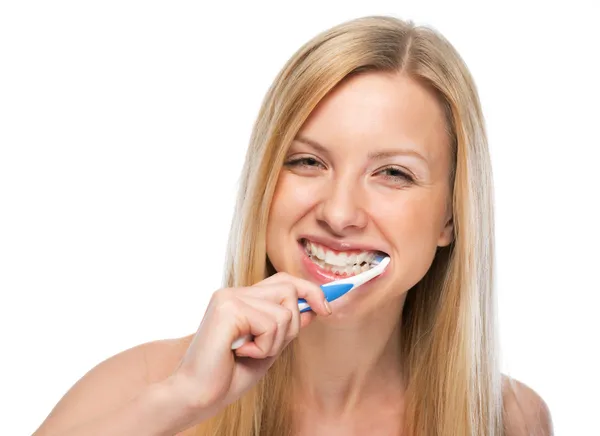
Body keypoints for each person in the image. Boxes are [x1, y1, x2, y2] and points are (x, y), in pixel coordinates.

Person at [32, 15, 553, 436]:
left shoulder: (509, 420)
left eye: (393, 173)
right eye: (307, 162)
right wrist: (181, 403)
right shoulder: (140, 390)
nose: (340, 212)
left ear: (450, 218)